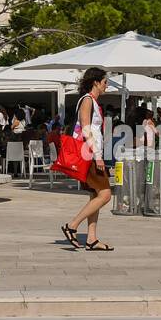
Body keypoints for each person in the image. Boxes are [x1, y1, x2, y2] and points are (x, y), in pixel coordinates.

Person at [59, 67, 115, 251]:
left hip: (92, 153)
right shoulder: (87, 100)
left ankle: (91, 239)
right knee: (105, 194)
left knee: (96, 195)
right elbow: (85, 128)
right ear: (96, 82)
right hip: (89, 154)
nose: (107, 86)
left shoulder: (93, 102)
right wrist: (98, 156)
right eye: (105, 82)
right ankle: (72, 225)